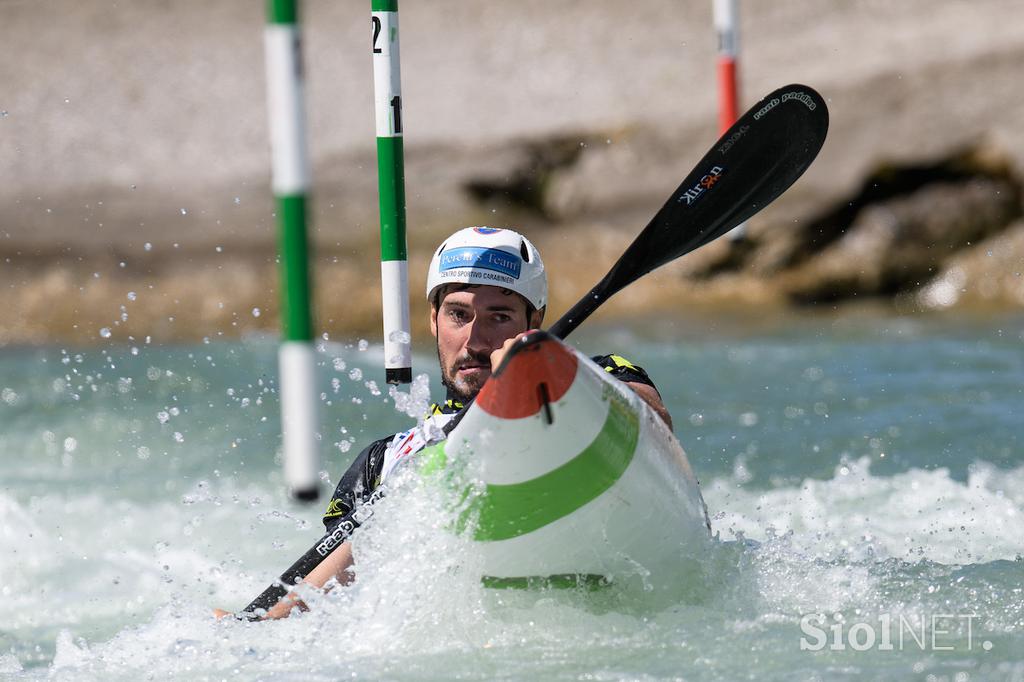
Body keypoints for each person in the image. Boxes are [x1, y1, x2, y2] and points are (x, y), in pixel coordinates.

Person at [221, 226, 672, 620]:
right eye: (459, 314)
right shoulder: (383, 462)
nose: (475, 339)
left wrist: (531, 375)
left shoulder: (595, 377)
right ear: (433, 321)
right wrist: (266, 626)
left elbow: (654, 422)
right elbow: (343, 605)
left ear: (533, 322)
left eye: (499, 316)